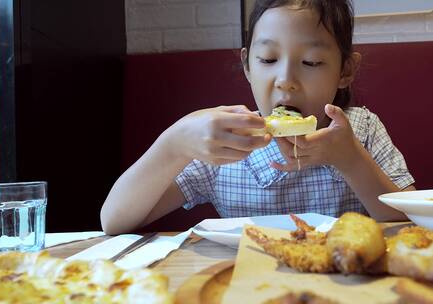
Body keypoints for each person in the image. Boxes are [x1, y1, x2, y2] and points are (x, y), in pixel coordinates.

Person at [100, 0, 415, 235]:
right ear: (248, 65)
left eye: (311, 61)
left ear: (345, 70)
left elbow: (407, 224)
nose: (285, 79)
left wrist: (352, 160)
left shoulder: (362, 129)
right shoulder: (225, 141)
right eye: (268, 59)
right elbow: (115, 220)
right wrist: (173, 144)